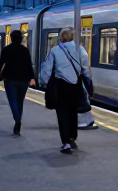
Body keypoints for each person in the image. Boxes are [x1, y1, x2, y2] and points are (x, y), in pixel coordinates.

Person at [39, 27, 91, 155]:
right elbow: (85, 69)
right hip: (76, 87)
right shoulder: (80, 50)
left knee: (62, 114)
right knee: (73, 112)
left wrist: (43, 82)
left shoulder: (55, 50)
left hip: (61, 87)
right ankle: (73, 136)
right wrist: (88, 84)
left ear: (61, 38)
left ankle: (66, 142)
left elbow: (47, 69)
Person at [0, 29, 35, 135]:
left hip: (10, 79)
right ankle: (18, 122)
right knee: (20, 102)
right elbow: (29, 65)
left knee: (13, 102)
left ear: (11, 38)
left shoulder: (6, 49)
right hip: (24, 80)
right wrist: (32, 78)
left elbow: (1, 64)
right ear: (21, 39)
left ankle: (17, 121)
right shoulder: (25, 50)